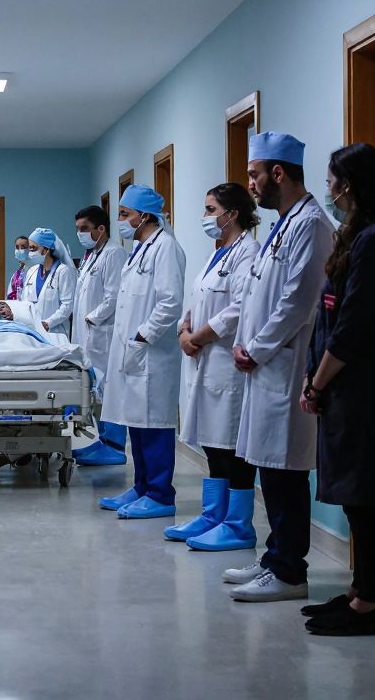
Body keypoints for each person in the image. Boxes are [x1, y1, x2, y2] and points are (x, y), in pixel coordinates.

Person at [298, 143, 375, 636]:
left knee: (367, 500)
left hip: (368, 391)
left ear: (347, 185)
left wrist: (317, 380)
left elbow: (352, 327)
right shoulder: (365, 236)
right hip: (353, 388)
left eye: (330, 180)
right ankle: (361, 592)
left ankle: (373, 606)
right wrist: (317, 376)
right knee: (357, 499)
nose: (327, 189)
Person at [224, 132, 334, 603]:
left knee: (287, 470)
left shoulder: (311, 225)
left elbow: (298, 301)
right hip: (265, 362)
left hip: (284, 364)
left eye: (254, 175)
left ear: (278, 174)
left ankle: (290, 571)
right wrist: (248, 344)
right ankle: (274, 557)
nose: (250, 184)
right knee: (271, 467)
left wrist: (257, 347)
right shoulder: (282, 225)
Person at [165, 183, 263, 548]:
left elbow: (240, 308)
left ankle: (237, 525)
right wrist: (184, 331)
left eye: (210, 210)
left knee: (231, 447)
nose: (205, 217)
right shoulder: (217, 253)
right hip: (203, 358)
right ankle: (212, 516)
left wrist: (199, 337)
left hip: (225, 363)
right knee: (213, 444)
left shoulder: (249, 253)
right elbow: (197, 298)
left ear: (232, 213)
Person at [95, 185, 187, 520]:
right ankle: (142, 487)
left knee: (155, 425)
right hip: (134, 352)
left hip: (152, 354)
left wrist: (142, 336)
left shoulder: (165, 248)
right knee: (136, 421)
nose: (121, 220)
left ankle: (161, 495)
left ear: (144, 216)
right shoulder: (141, 249)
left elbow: (170, 302)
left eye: (125, 214)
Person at [68, 205, 130, 467]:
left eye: (85, 229)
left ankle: (114, 447)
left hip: (102, 334)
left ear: (101, 228)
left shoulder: (114, 254)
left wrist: (93, 318)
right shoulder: (92, 255)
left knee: (108, 391)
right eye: (78, 229)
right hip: (88, 334)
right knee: (96, 391)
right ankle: (104, 442)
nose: (80, 234)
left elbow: (114, 296)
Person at [23, 228, 77, 336]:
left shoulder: (62, 271)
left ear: (46, 250)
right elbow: (25, 301)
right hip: (33, 329)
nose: (30, 253)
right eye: (29, 248)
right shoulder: (31, 272)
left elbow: (67, 305)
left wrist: (48, 323)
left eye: (33, 248)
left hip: (55, 331)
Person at [7, 235, 31, 300]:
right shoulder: (16, 276)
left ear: (30, 249)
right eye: (17, 247)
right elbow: (10, 296)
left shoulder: (37, 270)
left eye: (23, 247)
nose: (19, 250)